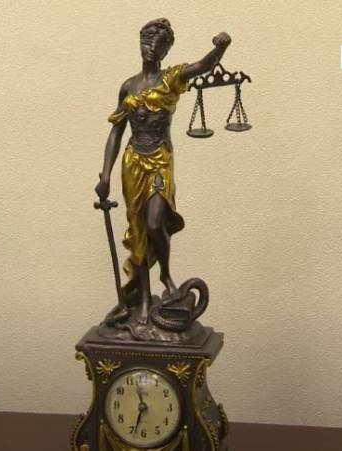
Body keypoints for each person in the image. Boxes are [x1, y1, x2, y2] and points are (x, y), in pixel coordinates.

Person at [95, 18, 231, 325]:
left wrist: (220, 48)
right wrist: (105, 175)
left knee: (155, 223)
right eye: (146, 43)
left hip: (159, 159)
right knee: (139, 233)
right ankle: (143, 301)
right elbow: (116, 132)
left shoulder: (171, 78)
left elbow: (203, 66)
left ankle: (166, 276)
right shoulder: (128, 86)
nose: (149, 49)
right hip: (133, 162)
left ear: (166, 50)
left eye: (157, 45)